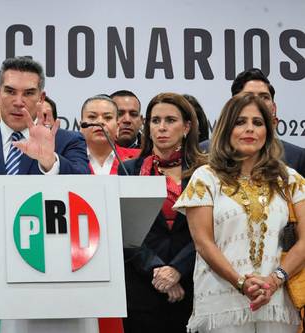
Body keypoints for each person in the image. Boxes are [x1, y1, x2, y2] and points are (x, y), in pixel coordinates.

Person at [0, 56, 90, 318]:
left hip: (52, 273)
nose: (18, 101)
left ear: (41, 97)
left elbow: (85, 192)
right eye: (10, 91)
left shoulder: (66, 141)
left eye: (29, 93)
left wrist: (50, 163)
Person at [174, 93, 305, 332]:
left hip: (277, 300)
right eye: (240, 122)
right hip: (222, 303)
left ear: (268, 131)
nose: (249, 129)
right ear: (226, 128)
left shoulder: (290, 179)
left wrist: (274, 281)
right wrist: (241, 281)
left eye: (258, 123)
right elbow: (203, 243)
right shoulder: (205, 177)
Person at [118, 92, 206, 332]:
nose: (162, 128)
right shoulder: (129, 170)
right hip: (142, 288)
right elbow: (124, 232)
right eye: (155, 121)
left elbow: (213, 230)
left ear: (187, 126)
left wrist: (178, 269)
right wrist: (157, 269)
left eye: (170, 120)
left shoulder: (206, 170)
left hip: (194, 286)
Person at [200, 68, 305, 176]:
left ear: (273, 108)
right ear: (233, 105)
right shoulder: (203, 153)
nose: (256, 102)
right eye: (248, 96)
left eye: (264, 97)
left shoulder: (297, 158)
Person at [80, 94, 139, 174]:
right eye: (92, 117)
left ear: (118, 127)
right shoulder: (69, 159)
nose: (100, 122)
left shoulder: (140, 158)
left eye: (107, 117)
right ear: (81, 126)